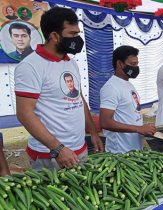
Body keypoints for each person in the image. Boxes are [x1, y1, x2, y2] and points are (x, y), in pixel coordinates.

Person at [15, 7, 103, 171]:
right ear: (55, 36)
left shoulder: (70, 62)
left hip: (79, 149)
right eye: (73, 34)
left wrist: (93, 132)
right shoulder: (30, 66)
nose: (78, 38)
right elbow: (24, 113)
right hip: (51, 156)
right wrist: (57, 148)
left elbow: (79, 98)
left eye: (78, 33)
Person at [99, 46, 156, 153]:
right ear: (120, 64)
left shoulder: (127, 84)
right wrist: (139, 129)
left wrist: (143, 129)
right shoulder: (111, 87)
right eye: (133, 64)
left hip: (133, 149)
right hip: (119, 152)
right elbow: (104, 122)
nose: (136, 67)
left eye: (137, 64)